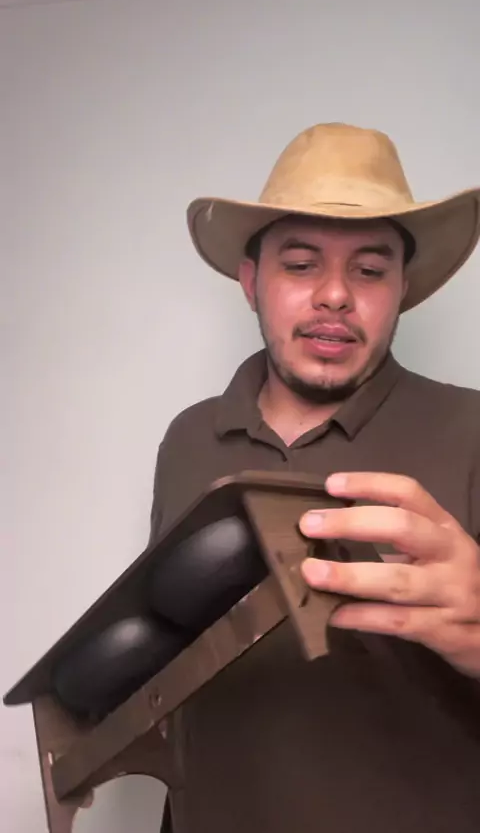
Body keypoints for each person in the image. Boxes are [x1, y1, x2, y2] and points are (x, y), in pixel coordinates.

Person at [154, 123, 480, 833]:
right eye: (301, 264)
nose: (334, 295)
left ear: (403, 289)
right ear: (251, 282)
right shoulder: (187, 439)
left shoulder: (473, 430)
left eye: (369, 271)